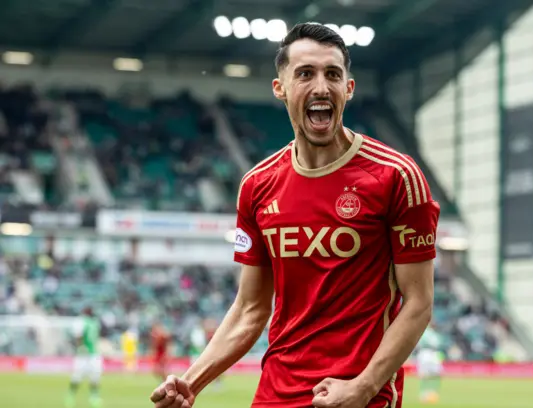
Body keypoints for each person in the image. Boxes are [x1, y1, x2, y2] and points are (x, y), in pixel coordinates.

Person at [150, 22, 440, 408]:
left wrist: (364, 386)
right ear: (280, 88)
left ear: (348, 89)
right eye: (305, 74)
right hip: (276, 393)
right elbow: (251, 309)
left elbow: (419, 302)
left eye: (333, 75)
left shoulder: (396, 176)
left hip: (359, 397)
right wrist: (190, 382)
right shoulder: (257, 185)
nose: (321, 87)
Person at [65, 307, 103, 408]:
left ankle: (94, 397)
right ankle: (70, 396)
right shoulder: (81, 321)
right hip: (83, 355)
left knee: (95, 377)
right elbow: (78, 336)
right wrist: (81, 347)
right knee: (77, 376)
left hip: (94, 354)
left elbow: (95, 337)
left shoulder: (95, 322)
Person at [415, 325, 443, 404]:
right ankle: (423, 394)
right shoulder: (424, 332)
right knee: (424, 374)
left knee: (436, 374)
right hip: (424, 353)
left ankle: (433, 393)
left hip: (433, 353)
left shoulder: (434, 333)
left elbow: (438, 343)